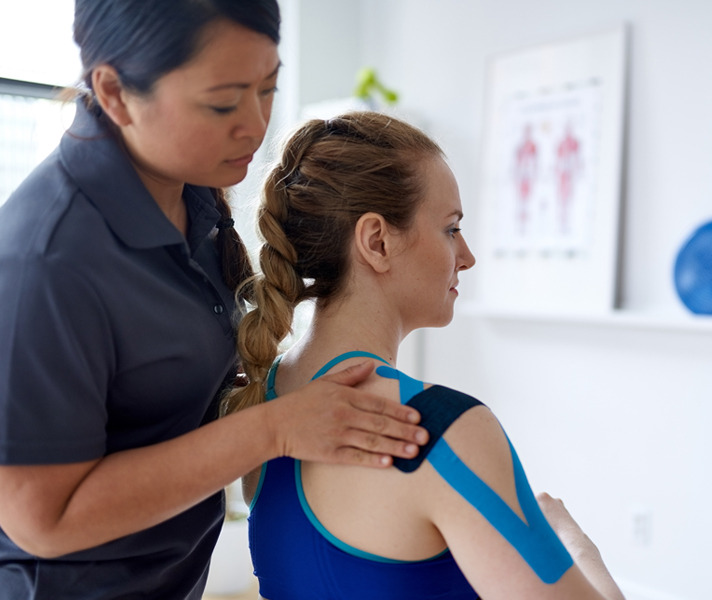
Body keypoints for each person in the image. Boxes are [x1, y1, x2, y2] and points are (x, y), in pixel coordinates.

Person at [0, 2, 429, 598]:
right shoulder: (45, 262)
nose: (255, 125)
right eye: (224, 101)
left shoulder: (191, 195)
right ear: (115, 92)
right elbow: (41, 520)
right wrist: (274, 430)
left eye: (269, 88)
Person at [227, 112, 626, 600]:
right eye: (451, 228)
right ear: (377, 242)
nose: (467, 256)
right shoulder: (438, 427)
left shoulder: (263, 409)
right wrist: (574, 542)